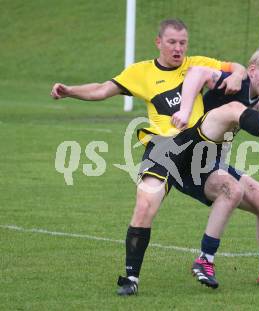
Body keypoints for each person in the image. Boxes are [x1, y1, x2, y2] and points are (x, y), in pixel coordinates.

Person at [50, 18, 248, 296]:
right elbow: (102, 89)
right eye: (172, 42)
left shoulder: (197, 64)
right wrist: (70, 91)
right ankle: (131, 279)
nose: (178, 48)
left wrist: (238, 75)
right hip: (163, 147)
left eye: (182, 43)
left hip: (198, 148)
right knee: (145, 205)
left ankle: (209, 260)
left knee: (235, 190)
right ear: (158, 42)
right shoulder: (140, 72)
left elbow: (235, 67)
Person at [170, 48, 259, 289]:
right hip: (187, 160)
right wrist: (184, 111)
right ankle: (204, 261)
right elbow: (197, 72)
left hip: (211, 162)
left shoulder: (252, 94)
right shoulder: (234, 82)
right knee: (232, 190)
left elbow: (255, 105)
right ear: (253, 71)